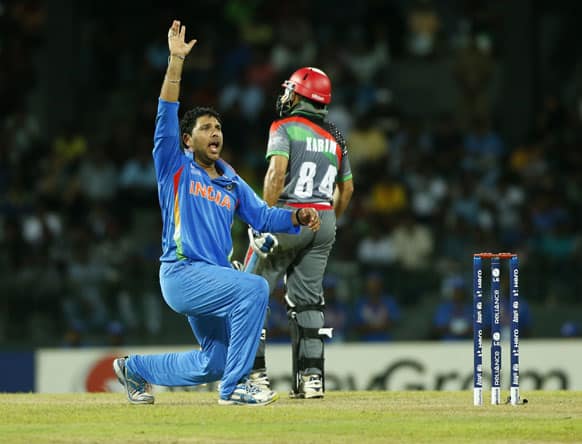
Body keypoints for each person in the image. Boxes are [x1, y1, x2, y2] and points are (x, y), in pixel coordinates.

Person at [112, 20, 320, 407]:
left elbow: (262, 217)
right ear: (188, 140)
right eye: (206, 128)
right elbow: (166, 111)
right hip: (181, 272)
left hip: (213, 277)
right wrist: (176, 62)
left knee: (216, 360)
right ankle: (236, 389)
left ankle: (135, 368)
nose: (215, 133)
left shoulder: (231, 180)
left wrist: (297, 216)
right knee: (256, 287)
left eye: (219, 127)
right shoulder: (175, 165)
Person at [244, 65, 354, 399]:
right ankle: (312, 380)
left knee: (252, 292)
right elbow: (346, 191)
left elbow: (276, 175)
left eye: (290, 89)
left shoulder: (284, 127)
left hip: (287, 216)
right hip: (323, 218)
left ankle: (255, 377)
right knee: (309, 303)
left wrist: (263, 219)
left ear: (302, 95)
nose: (286, 95)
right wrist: (326, 222)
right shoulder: (335, 135)